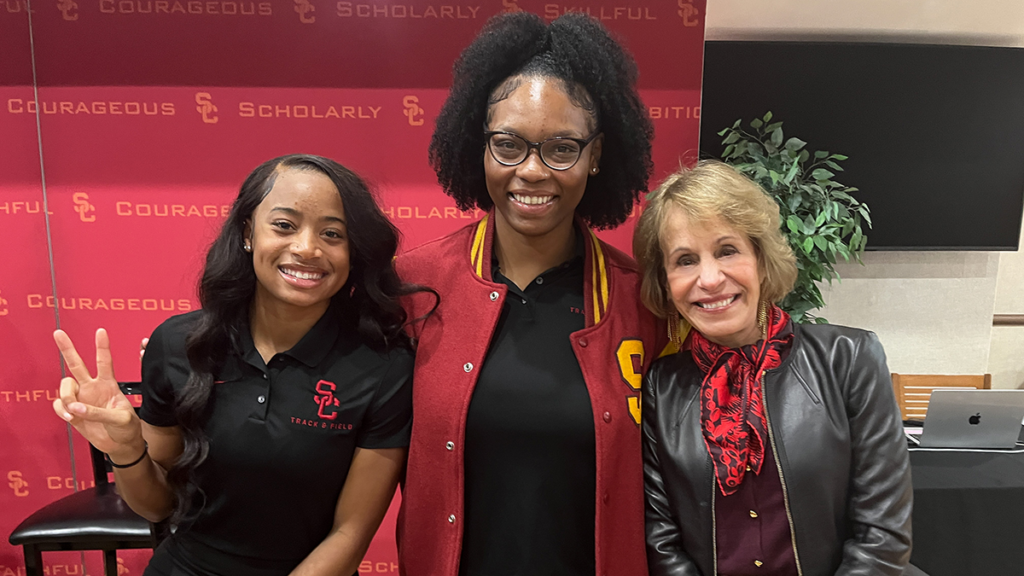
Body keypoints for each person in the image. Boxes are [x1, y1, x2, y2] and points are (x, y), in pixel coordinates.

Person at [52, 154, 431, 576]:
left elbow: (349, 534)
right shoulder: (178, 344)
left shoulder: (383, 367)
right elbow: (158, 507)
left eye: (332, 234)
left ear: (354, 251)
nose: (307, 248)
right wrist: (126, 451)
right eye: (284, 226)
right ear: (248, 231)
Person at [394, 12, 664, 576]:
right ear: (481, 146)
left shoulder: (644, 303)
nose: (532, 171)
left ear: (596, 155)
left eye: (562, 148)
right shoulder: (413, 289)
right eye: (509, 144)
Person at [633, 160, 913, 576]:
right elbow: (662, 538)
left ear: (761, 260)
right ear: (665, 281)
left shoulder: (849, 358)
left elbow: (882, 536)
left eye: (727, 251)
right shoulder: (662, 385)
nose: (709, 279)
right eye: (685, 260)